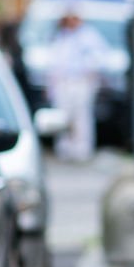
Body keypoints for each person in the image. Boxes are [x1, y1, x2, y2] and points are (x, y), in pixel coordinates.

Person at [47, 8, 107, 161]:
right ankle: (65, 148)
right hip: (63, 83)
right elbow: (55, 62)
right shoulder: (61, 36)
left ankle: (82, 149)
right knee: (64, 116)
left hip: (80, 82)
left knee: (81, 117)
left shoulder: (88, 36)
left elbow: (98, 58)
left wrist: (89, 74)